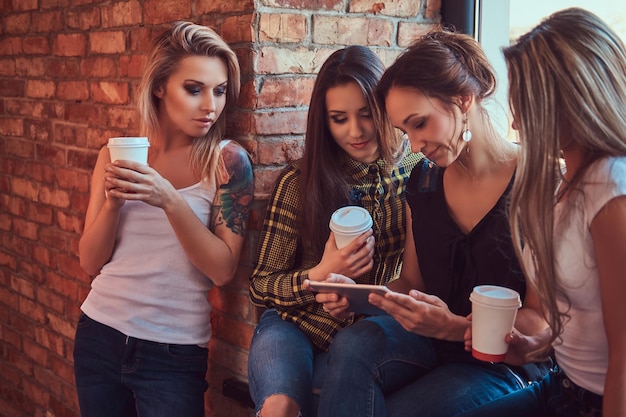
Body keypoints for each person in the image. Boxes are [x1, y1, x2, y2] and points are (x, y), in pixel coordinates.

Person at [315, 29, 552, 417]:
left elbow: (539, 317)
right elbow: (412, 285)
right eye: (404, 130)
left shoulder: (535, 182)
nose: (414, 143)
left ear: (463, 99)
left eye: (420, 123)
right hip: (430, 340)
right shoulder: (423, 181)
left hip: (501, 360)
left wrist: (453, 326)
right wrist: (359, 296)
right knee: (353, 343)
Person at [73, 21, 254, 417]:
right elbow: (90, 261)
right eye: (194, 89)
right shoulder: (115, 155)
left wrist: (169, 199)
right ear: (159, 87)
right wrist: (114, 204)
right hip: (98, 334)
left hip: (173, 353)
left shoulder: (227, 161)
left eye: (219, 90)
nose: (210, 105)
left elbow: (222, 270)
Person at [457, 8, 626, 417]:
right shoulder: (567, 179)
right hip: (561, 384)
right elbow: (579, 316)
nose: (514, 123)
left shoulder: (611, 188)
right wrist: (535, 346)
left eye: (525, 106)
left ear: (569, 100)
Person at [247, 45, 422, 417]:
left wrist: (361, 300)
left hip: (373, 328)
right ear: (323, 122)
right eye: (339, 118)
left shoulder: (416, 169)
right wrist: (318, 276)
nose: (355, 131)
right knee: (280, 407)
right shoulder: (300, 181)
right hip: (293, 324)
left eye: (366, 114)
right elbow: (261, 284)